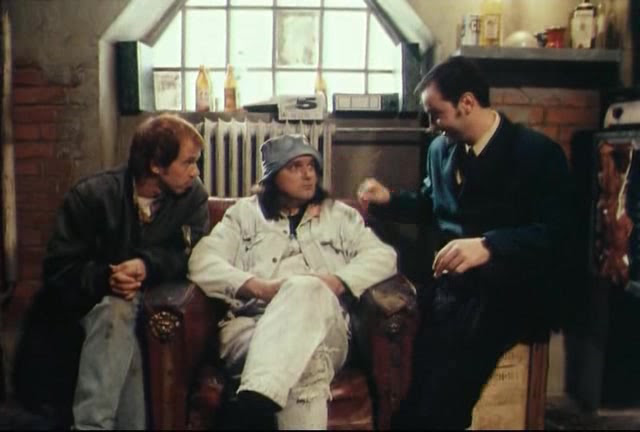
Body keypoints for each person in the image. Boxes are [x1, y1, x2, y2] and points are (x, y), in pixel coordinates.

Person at [357, 57, 573, 430]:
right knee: (419, 380)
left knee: (448, 387)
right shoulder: (440, 150)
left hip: (510, 288)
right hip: (452, 289)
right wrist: (388, 199)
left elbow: (557, 234)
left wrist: (488, 245)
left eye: (436, 114)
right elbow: (432, 204)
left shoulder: (536, 153)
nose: (431, 126)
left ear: (467, 103)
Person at [13, 114, 210, 429]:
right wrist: (107, 278)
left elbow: (190, 254)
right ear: (156, 165)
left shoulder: (193, 197)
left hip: (149, 302)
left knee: (120, 314)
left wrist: (146, 265)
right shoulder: (92, 195)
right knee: (116, 310)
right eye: (188, 162)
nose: (195, 171)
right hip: (85, 305)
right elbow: (59, 270)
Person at [188, 134, 397, 430]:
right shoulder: (243, 215)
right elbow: (202, 262)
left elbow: (383, 256)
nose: (308, 174)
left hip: (327, 328)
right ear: (272, 176)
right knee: (308, 364)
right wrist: (259, 287)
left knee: (306, 286)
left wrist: (338, 281)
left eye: (311, 165)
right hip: (252, 327)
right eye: (295, 167)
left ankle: (254, 400)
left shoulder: (340, 216)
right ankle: (261, 394)